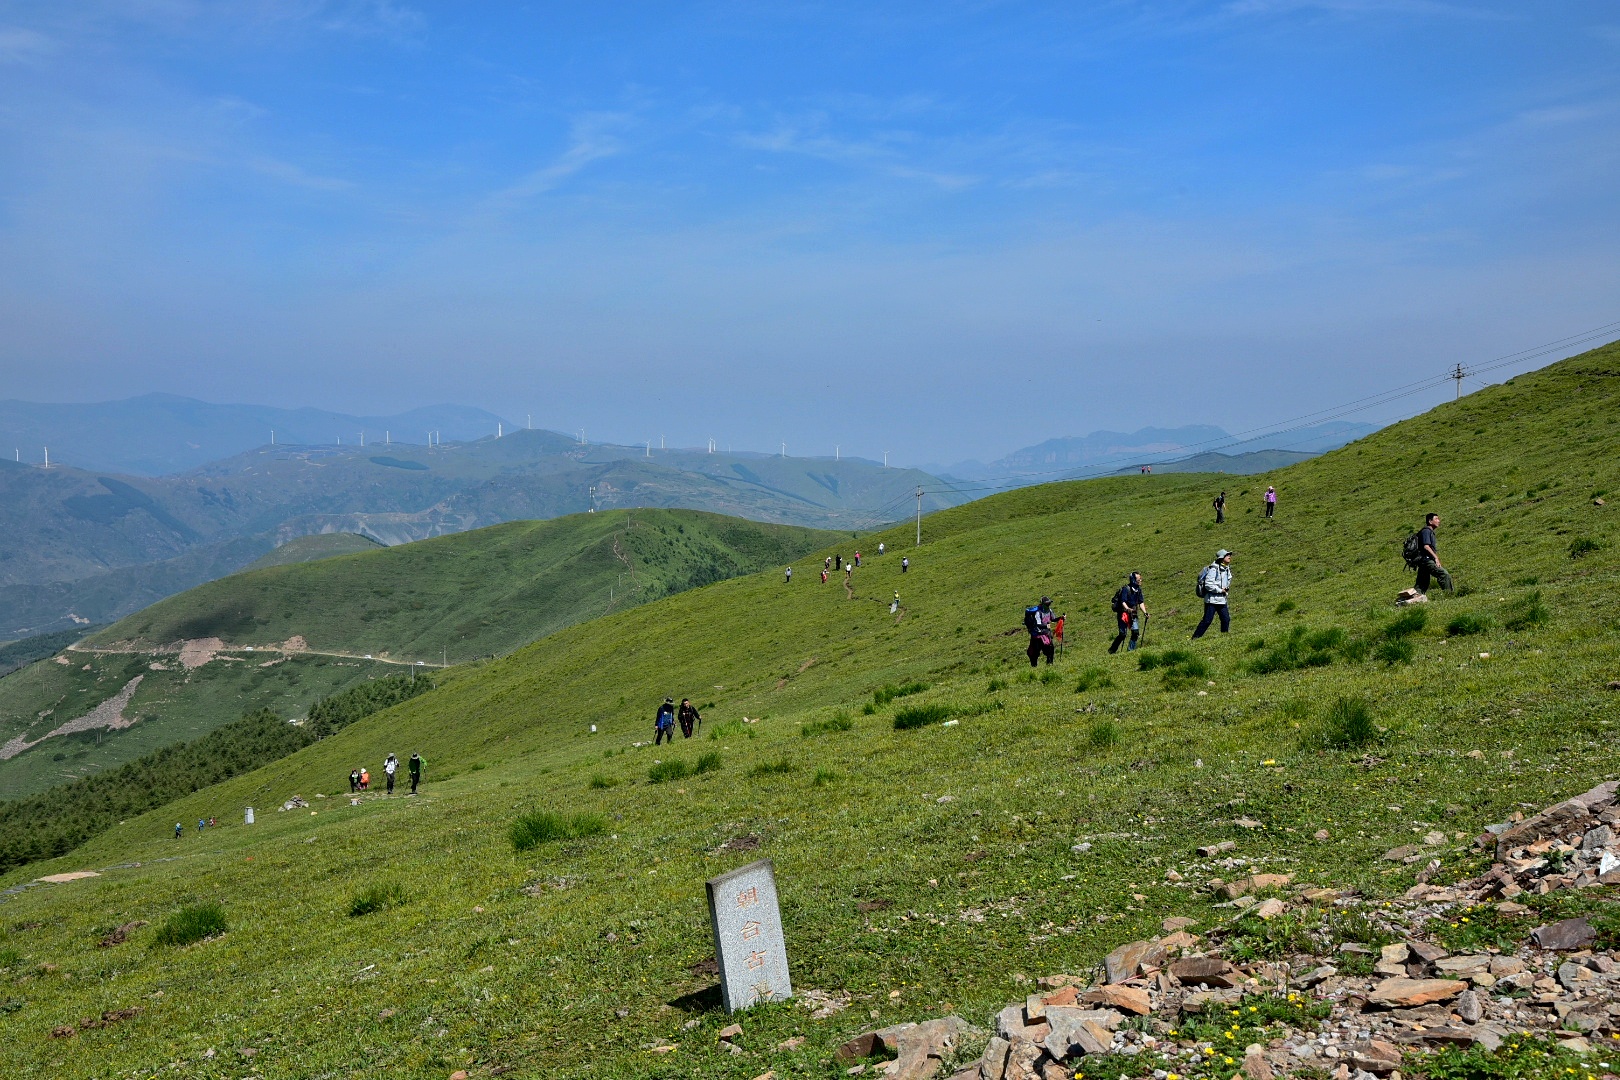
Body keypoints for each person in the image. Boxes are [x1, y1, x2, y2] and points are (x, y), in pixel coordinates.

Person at [1192, 549, 1234, 638]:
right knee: (1207, 621)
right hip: (1211, 600)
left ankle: (1224, 637)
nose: (1229, 556)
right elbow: (1208, 585)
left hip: (1222, 600)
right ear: (1222, 558)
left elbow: (1228, 579)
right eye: (1227, 555)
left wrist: (1225, 588)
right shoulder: (1213, 569)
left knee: (1226, 619)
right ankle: (1195, 638)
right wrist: (1220, 590)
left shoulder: (1227, 568)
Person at [1412, 513, 1453, 595]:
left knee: (1421, 584)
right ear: (1430, 521)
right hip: (1426, 560)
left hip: (1422, 561)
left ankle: (1411, 599)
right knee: (1444, 574)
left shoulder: (1427, 531)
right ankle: (1449, 595)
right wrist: (1436, 558)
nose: (1439, 521)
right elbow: (1426, 546)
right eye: (1436, 519)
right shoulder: (1426, 531)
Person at [1109, 572, 1148, 653]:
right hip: (1123, 614)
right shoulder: (1125, 589)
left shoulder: (1138, 590)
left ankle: (1130, 651)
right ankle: (1112, 650)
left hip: (1133, 614)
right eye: (1139, 579)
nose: (1141, 580)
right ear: (1133, 580)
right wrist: (1127, 609)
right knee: (1122, 634)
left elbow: (1141, 602)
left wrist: (1145, 612)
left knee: (1135, 633)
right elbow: (1123, 601)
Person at [1025, 596, 1056, 667]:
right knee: (1035, 653)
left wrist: (1061, 618)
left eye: (1049, 604)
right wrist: (1046, 626)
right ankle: (1034, 667)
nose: (1048, 605)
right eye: (1047, 604)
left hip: (1046, 634)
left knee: (1050, 650)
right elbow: (1038, 624)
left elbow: (1053, 619)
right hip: (1038, 635)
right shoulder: (1038, 613)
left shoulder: (1049, 610)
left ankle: (1050, 665)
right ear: (1043, 604)